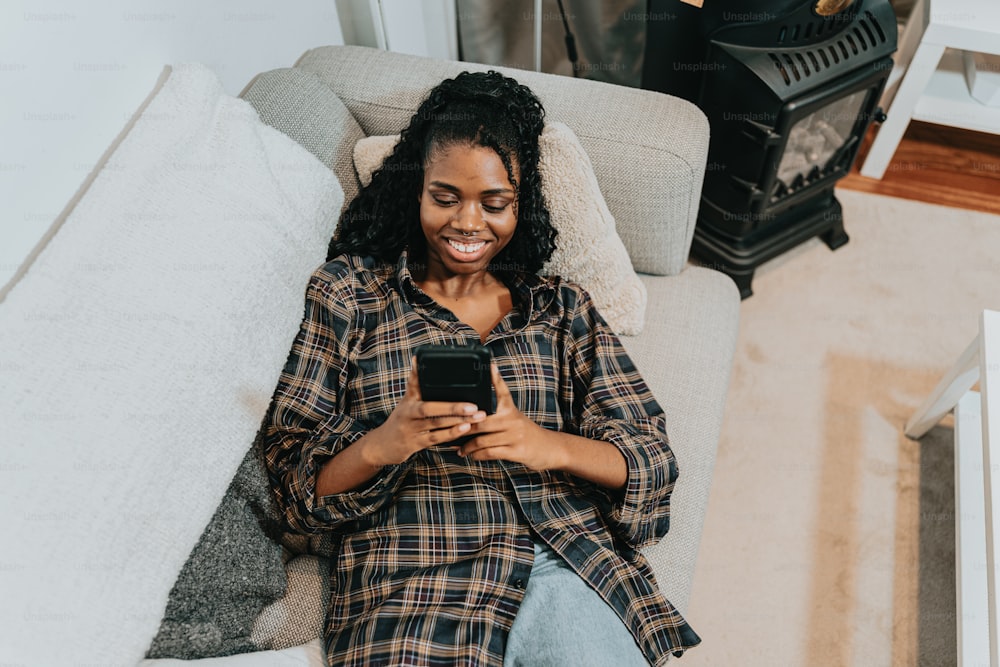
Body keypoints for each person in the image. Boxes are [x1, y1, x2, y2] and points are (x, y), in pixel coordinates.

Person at [261, 69, 700, 666]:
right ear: (417, 189)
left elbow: (652, 460)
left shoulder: (560, 307)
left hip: (558, 559)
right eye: (446, 198)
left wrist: (543, 445)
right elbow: (292, 486)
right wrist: (388, 441)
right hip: (409, 590)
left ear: (522, 205)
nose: (469, 223)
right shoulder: (349, 296)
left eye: (495, 203)